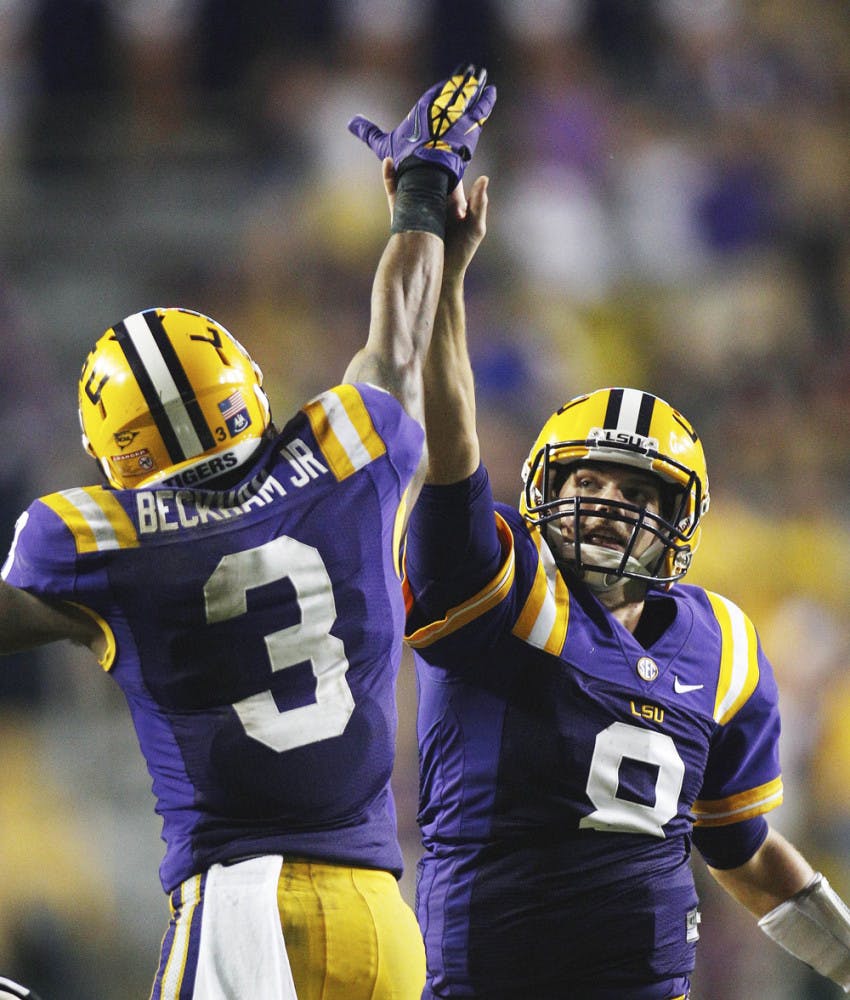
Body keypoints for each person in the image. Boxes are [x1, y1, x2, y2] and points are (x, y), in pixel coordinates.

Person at [0, 66, 495, 1000]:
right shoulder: (350, 448)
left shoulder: (95, 537)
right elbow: (397, 327)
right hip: (384, 915)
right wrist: (424, 187)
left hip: (244, 904)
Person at [390, 167, 850, 997]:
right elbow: (448, 450)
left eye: (636, 493)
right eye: (587, 486)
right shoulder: (500, 592)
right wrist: (440, 271)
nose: (606, 506)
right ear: (544, 494)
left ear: (679, 519)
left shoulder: (725, 646)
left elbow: (743, 849)